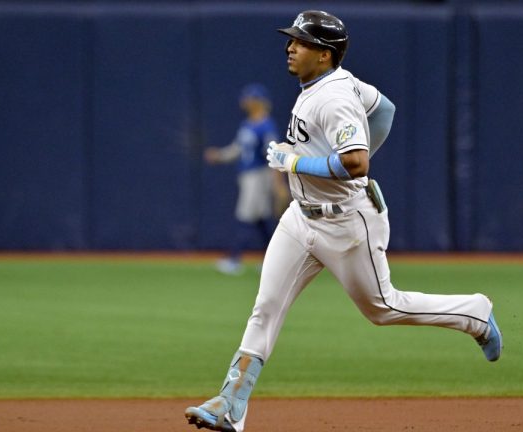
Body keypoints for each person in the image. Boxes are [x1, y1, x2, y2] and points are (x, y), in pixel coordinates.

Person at [185, 10, 502, 432]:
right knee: (265, 307)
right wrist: (305, 164)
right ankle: (231, 403)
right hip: (301, 218)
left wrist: (294, 160)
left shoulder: (332, 97)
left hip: (347, 224)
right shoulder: (330, 84)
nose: (290, 47)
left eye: (301, 41)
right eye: (291, 39)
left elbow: (356, 162)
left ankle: (475, 314)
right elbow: (384, 110)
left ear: (325, 53)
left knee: (382, 308)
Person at [204, 84, 288, 275]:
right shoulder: (247, 124)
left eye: (249, 98)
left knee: (246, 214)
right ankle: (272, 260)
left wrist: (278, 182)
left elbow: (274, 154)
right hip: (247, 175)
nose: (245, 102)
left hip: (260, 175)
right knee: (260, 218)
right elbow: (237, 149)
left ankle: (234, 259)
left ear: (258, 101)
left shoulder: (267, 125)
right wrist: (219, 156)